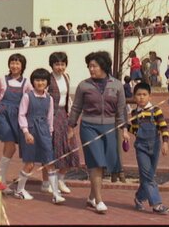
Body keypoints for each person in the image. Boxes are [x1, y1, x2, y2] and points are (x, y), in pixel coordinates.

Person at [67, 51, 126, 214]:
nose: (91, 69)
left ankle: (92, 196)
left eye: (94, 66)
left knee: (105, 163)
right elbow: (76, 107)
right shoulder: (84, 85)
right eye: (89, 66)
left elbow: (121, 110)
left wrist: (124, 129)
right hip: (89, 128)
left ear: (104, 66)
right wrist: (70, 126)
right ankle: (99, 201)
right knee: (96, 162)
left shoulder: (116, 85)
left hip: (110, 128)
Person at [13, 68, 65, 203]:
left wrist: (50, 133)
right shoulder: (27, 96)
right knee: (29, 164)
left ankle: (55, 194)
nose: (40, 83)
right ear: (33, 82)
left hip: (44, 132)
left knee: (49, 162)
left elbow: (50, 118)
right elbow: (21, 114)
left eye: (43, 80)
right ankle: (19, 190)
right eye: (37, 80)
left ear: (47, 82)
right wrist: (25, 132)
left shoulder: (49, 98)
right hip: (30, 131)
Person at [0, 53, 31, 193]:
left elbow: (30, 100)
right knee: (10, 146)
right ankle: (0, 180)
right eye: (12, 63)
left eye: (17, 63)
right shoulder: (2, 80)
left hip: (17, 116)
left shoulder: (26, 83)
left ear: (22, 66)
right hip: (3, 115)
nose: (14, 66)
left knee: (9, 149)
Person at [124, 81, 169, 215]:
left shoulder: (156, 110)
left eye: (144, 94)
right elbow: (134, 129)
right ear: (134, 97)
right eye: (138, 95)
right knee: (148, 177)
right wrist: (125, 130)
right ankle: (157, 204)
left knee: (149, 175)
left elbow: (163, 127)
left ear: (149, 96)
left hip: (155, 146)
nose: (141, 97)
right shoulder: (134, 113)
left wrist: (165, 142)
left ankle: (139, 198)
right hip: (141, 147)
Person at [41, 52, 78, 196]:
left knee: (70, 147)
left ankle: (61, 179)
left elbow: (68, 98)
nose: (60, 67)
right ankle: (46, 183)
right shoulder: (47, 79)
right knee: (50, 149)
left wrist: (71, 116)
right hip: (51, 116)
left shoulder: (66, 77)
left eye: (63, 64)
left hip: (65, 115)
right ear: (52, 65)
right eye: (57, 64)